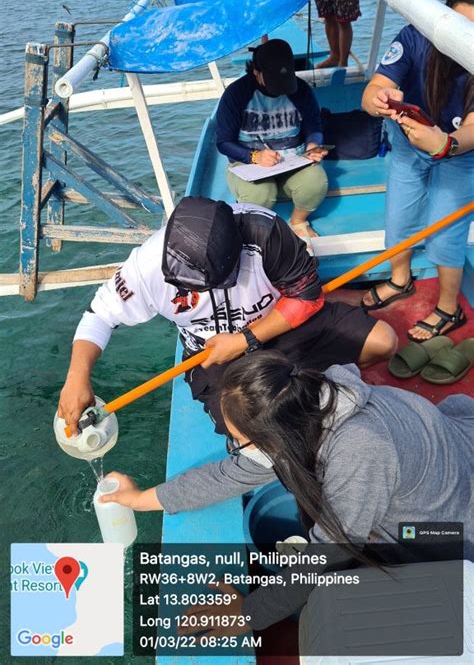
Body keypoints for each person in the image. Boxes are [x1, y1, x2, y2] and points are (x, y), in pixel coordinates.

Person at [99, 351, 473, 633]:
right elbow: (230, 475)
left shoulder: (360, 452)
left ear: (275, 437)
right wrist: (140, 498)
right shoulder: (306, 398)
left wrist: (249, 614)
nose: (237, 449)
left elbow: (328, 552)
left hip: (450, 528)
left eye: (239, 440)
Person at [57, 197, 397, 436]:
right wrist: (76, 377)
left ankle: (305, 386)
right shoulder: (144, 267)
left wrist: (245, 339)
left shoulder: (265, 231)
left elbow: (307, 296)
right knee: (245, 431)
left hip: (283, 325)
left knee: (385, 343)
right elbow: (98, 316)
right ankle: (303, 391)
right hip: (212, 356)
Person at [361, 0, 474, 342]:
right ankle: (400, 280)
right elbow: (372, 90)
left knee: (445, 232)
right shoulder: (415, 37)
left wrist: (446, 144)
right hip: (409, 146)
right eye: (459, 29)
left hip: (459, 154)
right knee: (399, 218)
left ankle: (448, 308)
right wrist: (379, 98)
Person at [216, 38, 329, 246]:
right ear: (257, 73)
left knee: (316, 181)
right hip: (249, 164)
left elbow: (314, 127)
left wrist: (313, 145)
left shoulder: (301, 90)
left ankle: (298, 221)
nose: (282, 90)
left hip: (292, 160)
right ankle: (258, 232)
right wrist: (254, 156)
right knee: (260, 194)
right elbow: (223, 142)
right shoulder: (236, 94)